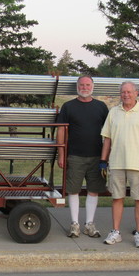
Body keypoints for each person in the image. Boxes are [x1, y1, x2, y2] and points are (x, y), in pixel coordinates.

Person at [100, 81, 139, 248]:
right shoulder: (114, 112)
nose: (126, 95)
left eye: (129, 92)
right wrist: (103, 161)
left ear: (136, 93)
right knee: (117, 198)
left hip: (138, 164)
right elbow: (107, 139)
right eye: (123, 92)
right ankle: (115, 232)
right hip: (117, 163)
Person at [56, 75, 108, 238]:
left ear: (92, 86)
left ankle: (89, 224)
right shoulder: (68, 106)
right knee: (73, 190)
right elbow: (61, 131)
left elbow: (108, 134)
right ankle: (75, 224)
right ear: (77, 87)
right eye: (81, 85)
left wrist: (105, 158)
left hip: (96, 157)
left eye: (87, 85)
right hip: (74, 155)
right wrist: (61, 154)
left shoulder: (101, 107)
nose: (84, 87)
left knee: (93, 190)